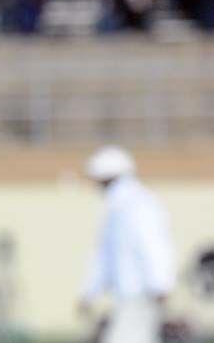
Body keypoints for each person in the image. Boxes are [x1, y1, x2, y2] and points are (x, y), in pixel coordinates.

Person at [79, 146, 174, 343]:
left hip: (140, 293)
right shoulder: (117, 208)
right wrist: (89, 291)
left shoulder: (138, 204)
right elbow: (104, 255)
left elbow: (152, 245)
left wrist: (160, 283)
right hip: (127, 295)